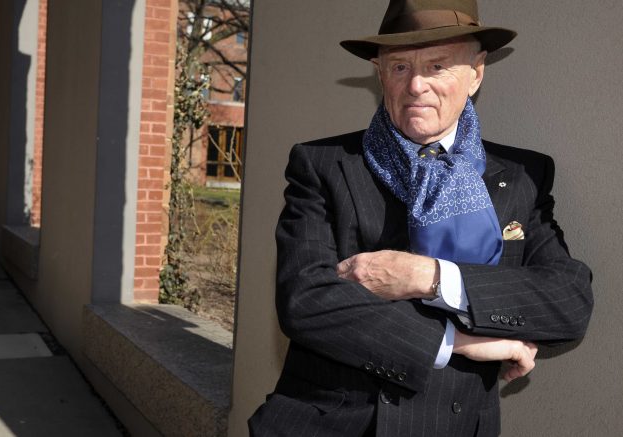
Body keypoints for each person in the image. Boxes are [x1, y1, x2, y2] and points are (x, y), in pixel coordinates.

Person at [247, 0, 594, 436]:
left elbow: (568, 301)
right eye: (399, 68)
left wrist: (429, 276)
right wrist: (461, 343)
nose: (416, 86)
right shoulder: (324, 165)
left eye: (437, 66)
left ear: (476, 73)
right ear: (379, 74)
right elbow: (307, 301)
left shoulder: (523, 176)